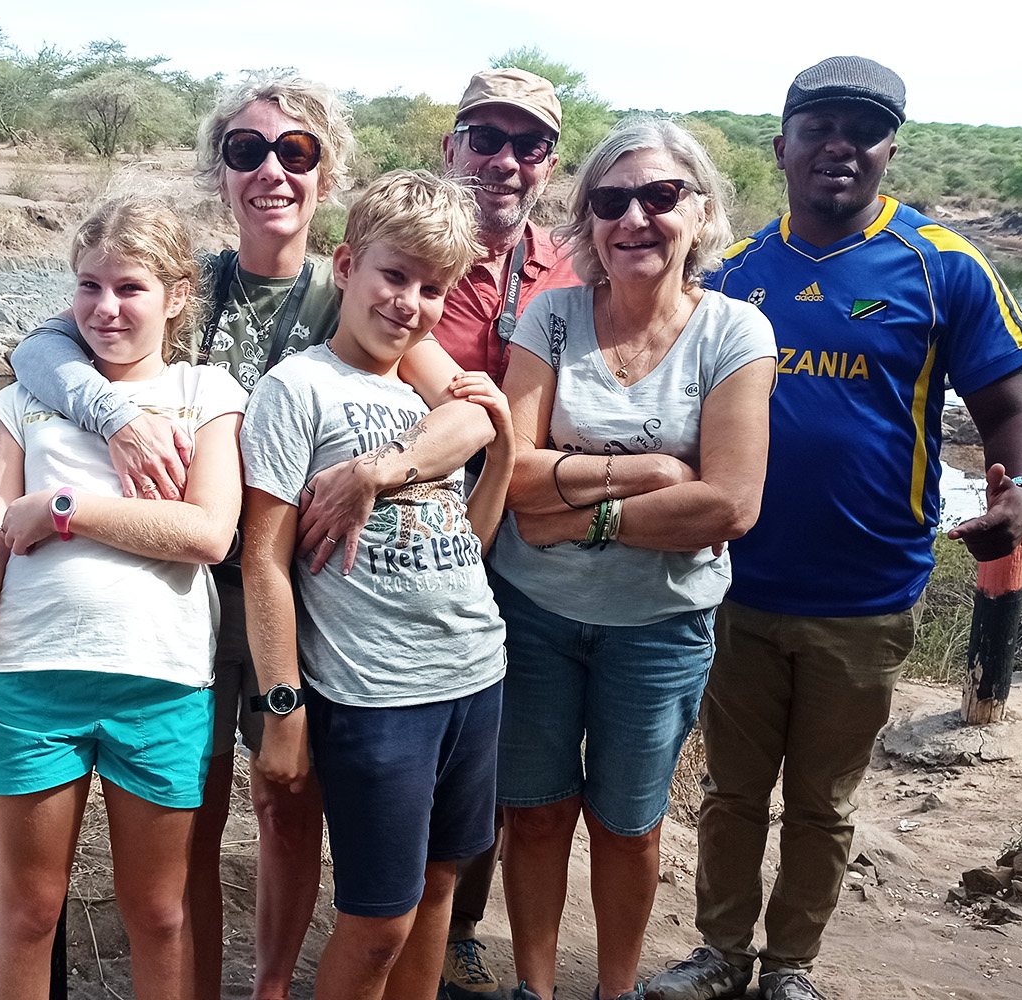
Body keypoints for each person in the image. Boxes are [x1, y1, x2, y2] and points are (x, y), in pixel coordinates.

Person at [3, 74, 494, 1000]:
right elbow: (41, 347)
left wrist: (379, 470)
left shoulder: (349, 285)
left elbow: (466, 414)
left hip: (298, 593)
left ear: (325, 169)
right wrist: (113, 415)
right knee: (191, 810)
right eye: (245, 150)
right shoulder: (195, 284)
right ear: (220, 169)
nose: (271, 169)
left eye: (295, 151)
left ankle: (269, 985)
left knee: (286, 799)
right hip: (181, 587)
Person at [645, 58, 1022, 1000]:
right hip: (737, 585)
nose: (840, 147)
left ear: (889, 150)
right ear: (781, 145)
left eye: (862, 132)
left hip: (867, 595)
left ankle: (791, 968)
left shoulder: (941, 264)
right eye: (819, 127)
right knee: (732, 794)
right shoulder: (737, 274)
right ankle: (720, 955)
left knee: (822, 803)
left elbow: (1010, 408)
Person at [0, 195, 247, 1000]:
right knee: (26, 909)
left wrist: (63, 510)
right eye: (88, 286)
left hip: (161, 685)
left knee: (159, 913)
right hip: (30, 682)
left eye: (129, 288)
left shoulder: (206, 394)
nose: (105, 308)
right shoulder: (28, 400)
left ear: (177, 295)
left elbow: (209, 535)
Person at [491, 115, 777, 1000]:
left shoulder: (734, 333)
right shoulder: (554, 314)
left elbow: (729, 504)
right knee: (534, 816)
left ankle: (613, 989)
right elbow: (514, 472)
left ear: (700, 213)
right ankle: (536, 987)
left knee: (628, 825)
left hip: (658, 628)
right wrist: (651, 473)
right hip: (534, 616)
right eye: (611, 201)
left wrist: (579, 515)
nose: (635, 219)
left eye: (661, 196)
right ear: (586, 221)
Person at [239, 168, 512, 1000]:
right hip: (374, 693)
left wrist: (498, 451)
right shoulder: (299, 389)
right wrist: (284, 706)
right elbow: (263, 559)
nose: (409, 303)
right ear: (347, 265)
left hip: (476, 673)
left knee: (437, 889)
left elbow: (469, 539)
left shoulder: (430, 405)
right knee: (378, 921)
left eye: (432, 289)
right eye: (394, 276)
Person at [430, 66, 583, 1000]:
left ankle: (456, 931)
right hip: (409, 546)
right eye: (484, 138)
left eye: (526, 145)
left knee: (490, 752)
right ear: (451, 146)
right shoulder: (400, 250)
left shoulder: (578, 265)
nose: (503, 161)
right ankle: (389, 913)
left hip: (527, 545)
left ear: (550, 164)